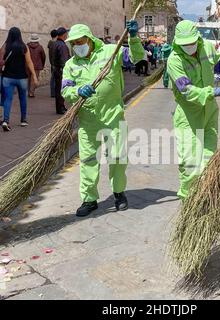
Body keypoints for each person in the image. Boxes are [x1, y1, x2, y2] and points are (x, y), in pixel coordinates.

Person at [61, 22, 144, 217]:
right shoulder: (71, 65)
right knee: (89, 160)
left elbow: (136, 57)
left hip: (113, 116)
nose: (77, 46)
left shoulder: (110, 52)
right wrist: (77, 91)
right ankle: (89, 199)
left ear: (90, 40)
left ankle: (119, 193)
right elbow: (65, 90)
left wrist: (133, 37)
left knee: (117, 156)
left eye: (80, 42)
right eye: (73, 43)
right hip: (88, 120)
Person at [167, 20, 220, 199]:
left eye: (191, 42)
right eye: (184, 44)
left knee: (209, 160)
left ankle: (205, 200)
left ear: (197, 38)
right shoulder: (174, 60)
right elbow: (187, 91)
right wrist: (216, 91)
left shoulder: (207, 47)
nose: (189, 46)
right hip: (189, 116)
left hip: (209, 113)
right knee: (190, 163)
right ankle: (188, 203)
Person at [0, 27, 38, 132]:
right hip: (22, 78)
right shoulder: (23, 46)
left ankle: (6, 121)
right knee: (23, 98)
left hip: (7, 77)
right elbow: (29, 62)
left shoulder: (5, 46)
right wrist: (34, 75)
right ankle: (23, 120)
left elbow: (0, 60)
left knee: (8, 99)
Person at [52, 27, 70, 114]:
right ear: (64, 35)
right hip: (60, 69)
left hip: (55, 68)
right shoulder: (62, 45)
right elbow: (64, 60)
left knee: (58, 89)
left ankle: (60, 106)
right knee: (60, 89)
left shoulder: (54, 44)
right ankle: (60, 107)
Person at [48, 29, 58, 97]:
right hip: (56, 63)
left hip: (52, 62)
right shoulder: (55, 43)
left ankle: (53, 92)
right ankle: (54, 92)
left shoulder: (50, 43)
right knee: (55, 78)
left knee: (53, 78)